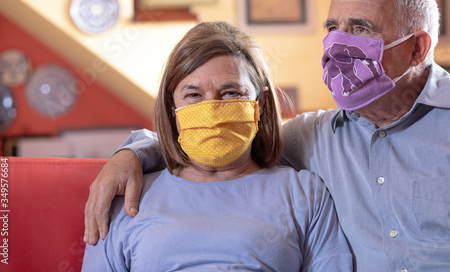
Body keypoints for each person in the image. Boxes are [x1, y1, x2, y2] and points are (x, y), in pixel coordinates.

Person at [84, 0, 450, 271]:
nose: (337, 45)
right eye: (332, 27)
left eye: (360, 28)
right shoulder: (314, 135)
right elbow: (220, 132)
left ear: (417, 48)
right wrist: (133, 155)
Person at [81, 21, 353, 271]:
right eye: (193, 95)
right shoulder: (127, 197)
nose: (211, 109)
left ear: (260, 105)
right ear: (172, 107)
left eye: (231, 93)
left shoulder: (305, 194)